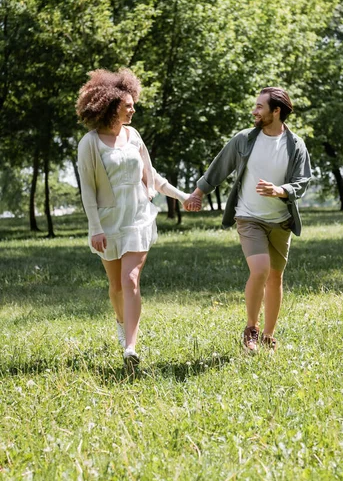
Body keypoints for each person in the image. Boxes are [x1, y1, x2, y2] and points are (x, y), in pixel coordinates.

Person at [76, 68, 191, 366]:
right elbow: (87, 190)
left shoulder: (134, 136)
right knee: (115, 287)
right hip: (107, 221)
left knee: (131, 280)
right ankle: (121, 321)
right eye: (128, 105)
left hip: (138, 216)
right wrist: (95, 228)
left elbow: (150, 176)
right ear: (111, 106)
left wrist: (183, 196)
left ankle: (130, 347)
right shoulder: (90, 143)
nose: (133, 108)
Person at [184, 87, 312, 352]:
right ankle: (251, 329)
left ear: (276, 112)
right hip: (248, 217)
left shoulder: (295, 145)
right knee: (261, 270)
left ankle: (268, 335)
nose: (254, 111)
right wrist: (198, 193)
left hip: (280, 220)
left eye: (259, 107)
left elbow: (302, 181)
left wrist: (280, 191)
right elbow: (219, 167)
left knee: (275, 278)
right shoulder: (244, 139)